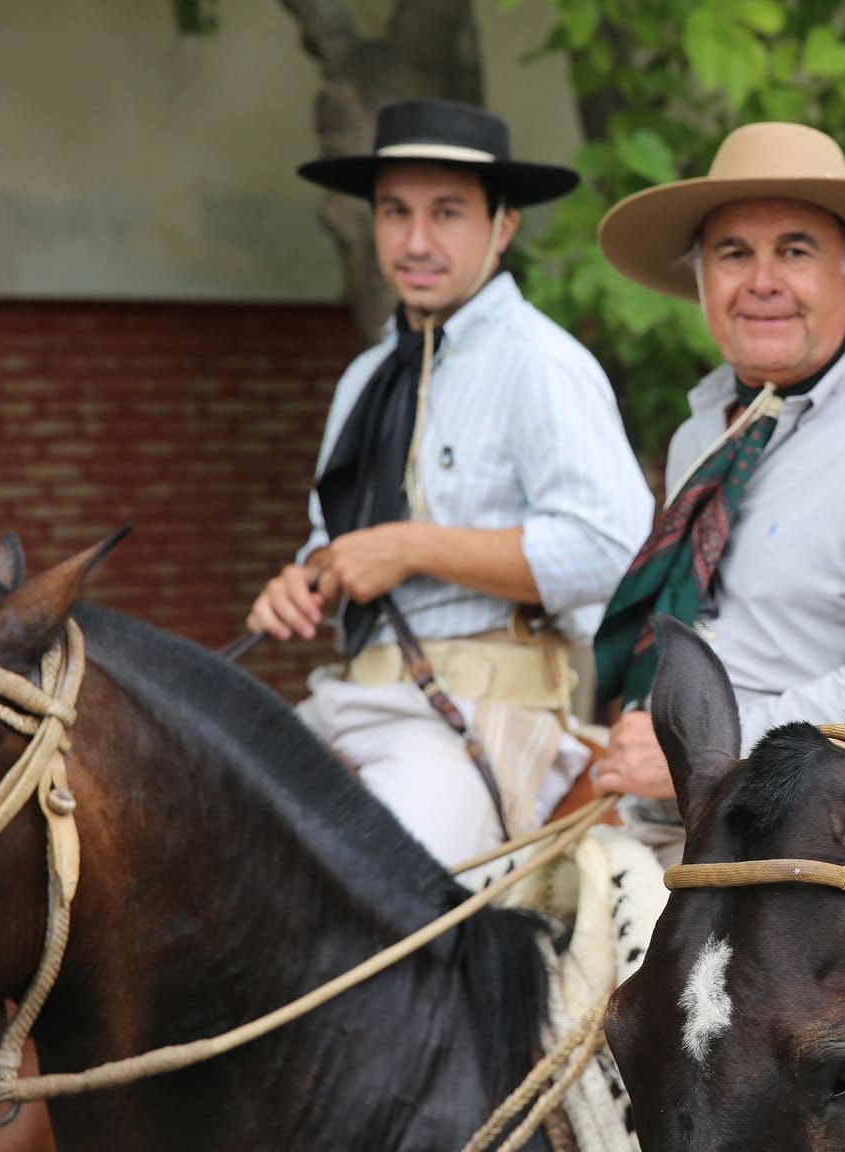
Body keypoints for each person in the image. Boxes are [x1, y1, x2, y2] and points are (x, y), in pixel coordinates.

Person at [245, 99, 653, 868]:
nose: (417, 240)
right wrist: (305, 580)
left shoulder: (542, 363)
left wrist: (414, 548)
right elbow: (335, 543)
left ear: (503, 226)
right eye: (395, 212)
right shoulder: (365, 376)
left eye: (447, 213)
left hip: (484, 715)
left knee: (378, 891)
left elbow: (613, 547)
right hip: (349, 697)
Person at [587, 122, 845, 823]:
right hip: (664, 811)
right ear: (703, 281)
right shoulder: (703, 438)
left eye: (795, 251)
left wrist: (709, 743)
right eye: (733, 253)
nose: (762, 281)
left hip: (803, 850)